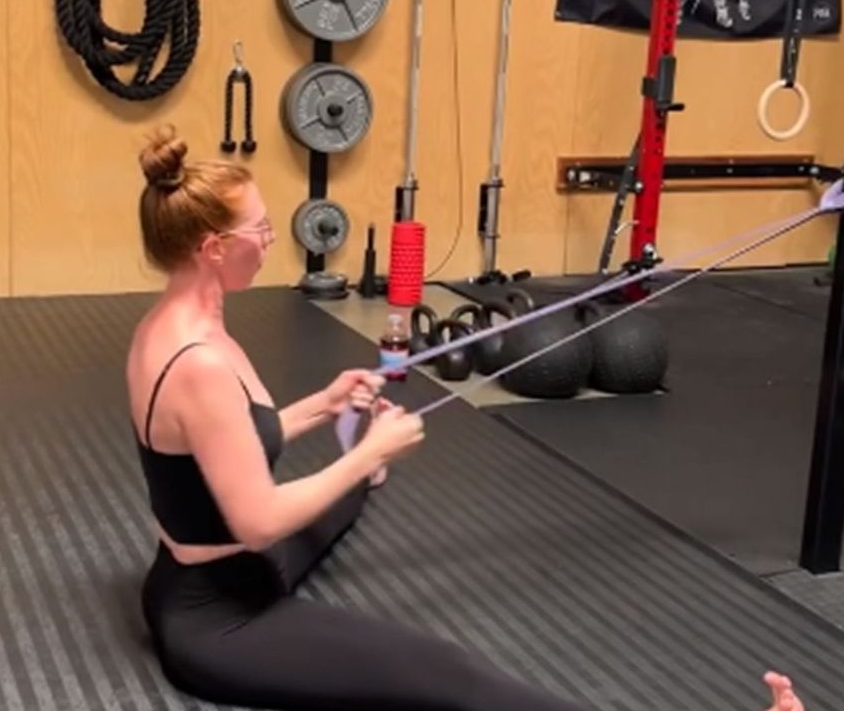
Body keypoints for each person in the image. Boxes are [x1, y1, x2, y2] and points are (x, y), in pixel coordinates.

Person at [127, 124, 807, 711]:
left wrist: (326, 404)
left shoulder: (176, 325)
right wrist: (368, 451)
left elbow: (228, 443)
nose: (271, 242)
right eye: (261, 231)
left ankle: (365, 478)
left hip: (194, 574)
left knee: (345, 498)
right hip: (223, 620)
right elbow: (259, 520)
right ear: (213, 248)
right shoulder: (200, 363)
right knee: (453, 676)